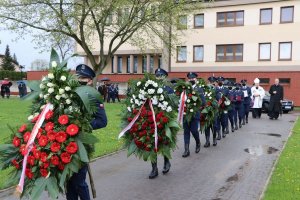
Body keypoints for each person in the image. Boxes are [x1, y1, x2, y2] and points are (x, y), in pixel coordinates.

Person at [66, 64, 108, 200]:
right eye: (78, 76)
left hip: (81, 143)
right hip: (64, 142)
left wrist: (82, 126)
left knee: (79, 182)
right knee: (69, 182)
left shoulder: (93, 96)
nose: (79, 80)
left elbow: (102, 121)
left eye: (83, 78)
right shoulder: (68, 94)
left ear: (90, 81)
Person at [148, 68, 173, 179]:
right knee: (151, 142)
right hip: (151, 119)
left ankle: (166, 161)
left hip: (164, 118)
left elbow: (173, 103)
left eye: (161, 75)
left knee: (164, 141)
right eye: (157, 76)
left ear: (165, 77)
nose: (159, 78)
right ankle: (154, 168)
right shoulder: (150, 88)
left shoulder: (169, 88)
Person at [182, 72, 206, 158]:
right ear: (188, 79)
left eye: (193, 78)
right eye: (190, 78)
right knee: (186, 131)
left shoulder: (199, 89)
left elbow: (203, 102)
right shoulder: (184, 89)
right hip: (185, 113)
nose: (191, 79)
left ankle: (198, 142)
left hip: (195, 113)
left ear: (196, 79)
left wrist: (193, 98)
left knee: (194, 130)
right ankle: (186, 150)